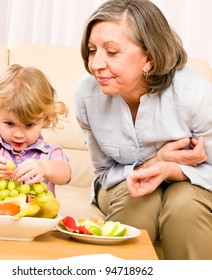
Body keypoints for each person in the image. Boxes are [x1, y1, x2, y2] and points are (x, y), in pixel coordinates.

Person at [74, 0, 212, 259]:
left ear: (149, 57)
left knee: (185, 205)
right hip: (122, 187)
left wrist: (173, 170)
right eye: (92, 51)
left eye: (112, 52)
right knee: (138, 197)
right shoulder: (86, 94)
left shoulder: (195, 95)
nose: (96, 64)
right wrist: (156, 161)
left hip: (193, 187)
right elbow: (104, 171)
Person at [0, 64, 71, 196]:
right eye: (10, 123)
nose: (18, 134)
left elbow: (65, 174)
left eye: (29, 125)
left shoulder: (51, 152)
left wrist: (45, 167)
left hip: (38, 214)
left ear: (46, 118)